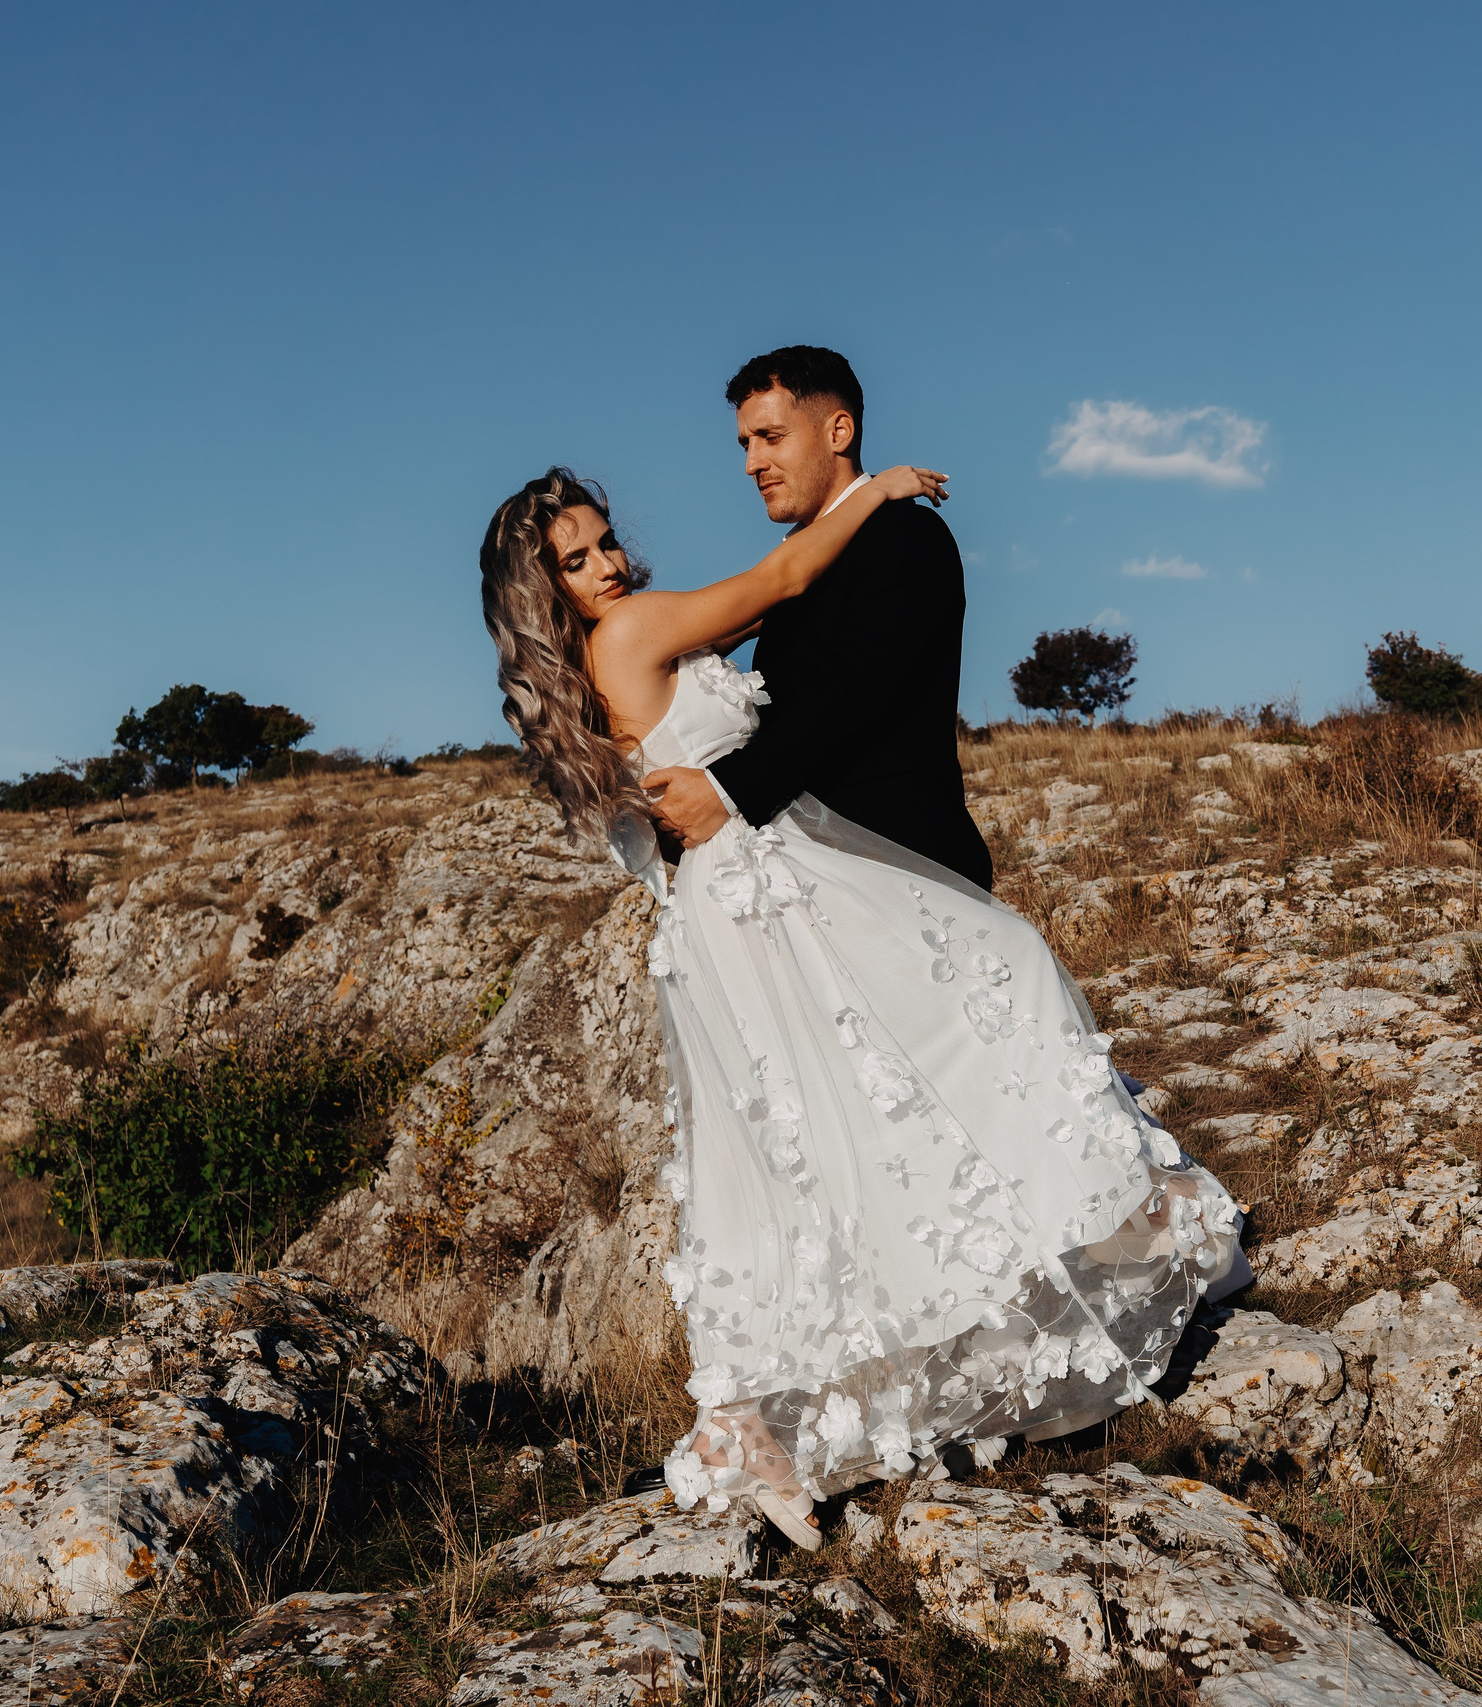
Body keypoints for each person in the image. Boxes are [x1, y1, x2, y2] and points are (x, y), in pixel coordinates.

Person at [476, 346, 1246, 1552]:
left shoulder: (877, 556)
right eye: (575, 559)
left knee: (833, 1131)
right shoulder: (639, 630)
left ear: (832, 426)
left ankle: (795, 1408)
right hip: (767, 894)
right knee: (852, 1123)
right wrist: (879, 485)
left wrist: (872, 508)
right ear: (551, 589)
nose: (608, 562)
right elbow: (788, 599)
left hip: (782, 877)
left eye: (764, 438)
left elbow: (844, 680)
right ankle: (805, 1404)